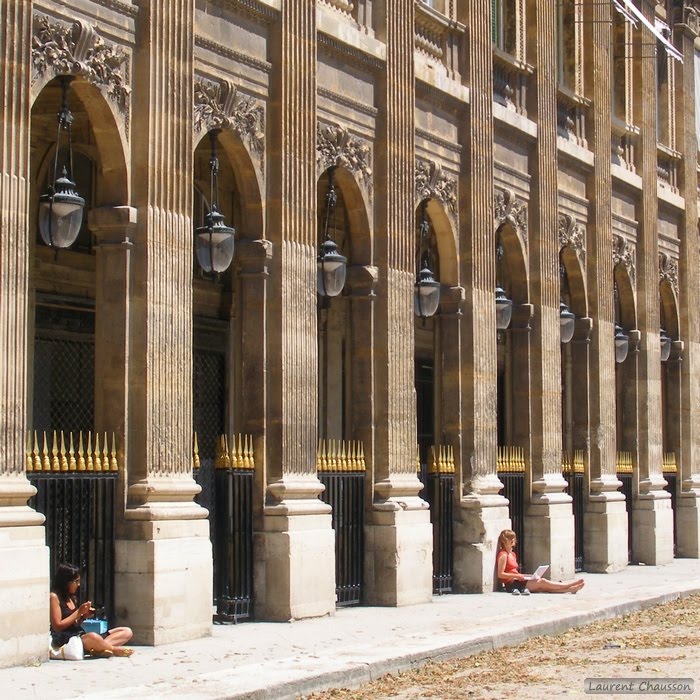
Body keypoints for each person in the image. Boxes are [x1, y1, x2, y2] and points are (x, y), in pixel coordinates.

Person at [50, 563, 134, 657]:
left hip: (81, 634)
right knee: (93, 637)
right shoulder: (54, 597)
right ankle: (113, 649)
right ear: (67, 582)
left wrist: (83, 616)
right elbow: (57, 626)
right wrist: (78, 612)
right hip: (69, 639)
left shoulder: (71, 597)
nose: (78, 584)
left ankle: (98, 648)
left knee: (126, 631)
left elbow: (75, 623)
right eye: (76, 581)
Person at [496, 529, 585, 595]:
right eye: (509, 538)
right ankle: (568, 585)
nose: (512, 540)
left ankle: (569, 589)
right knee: (542, 582)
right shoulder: (503, 555)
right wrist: (517, 576)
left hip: (519, 580)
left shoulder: (512, 554)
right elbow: (500, 574)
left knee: (543, 586)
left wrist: (526, 576)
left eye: (513, 538)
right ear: (504, 541)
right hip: (512, 584)